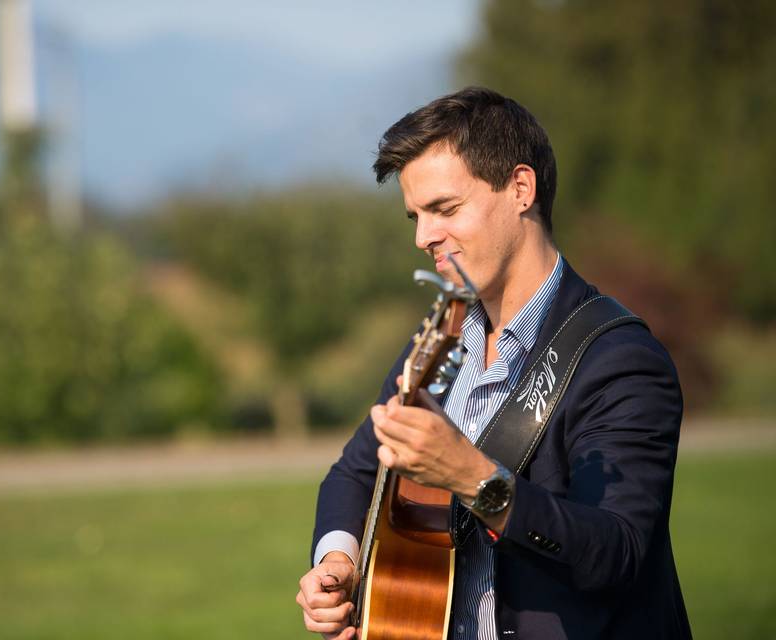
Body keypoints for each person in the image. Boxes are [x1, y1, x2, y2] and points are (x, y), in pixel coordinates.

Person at [295, 87, 691, 639]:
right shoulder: (439, 338)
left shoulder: (621, 360)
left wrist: (473, 478)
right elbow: (357, 471)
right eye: (415, 215)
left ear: (520, 189)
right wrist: (337, 562)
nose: (422, 236)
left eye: (444, 209)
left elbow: (616, 552)